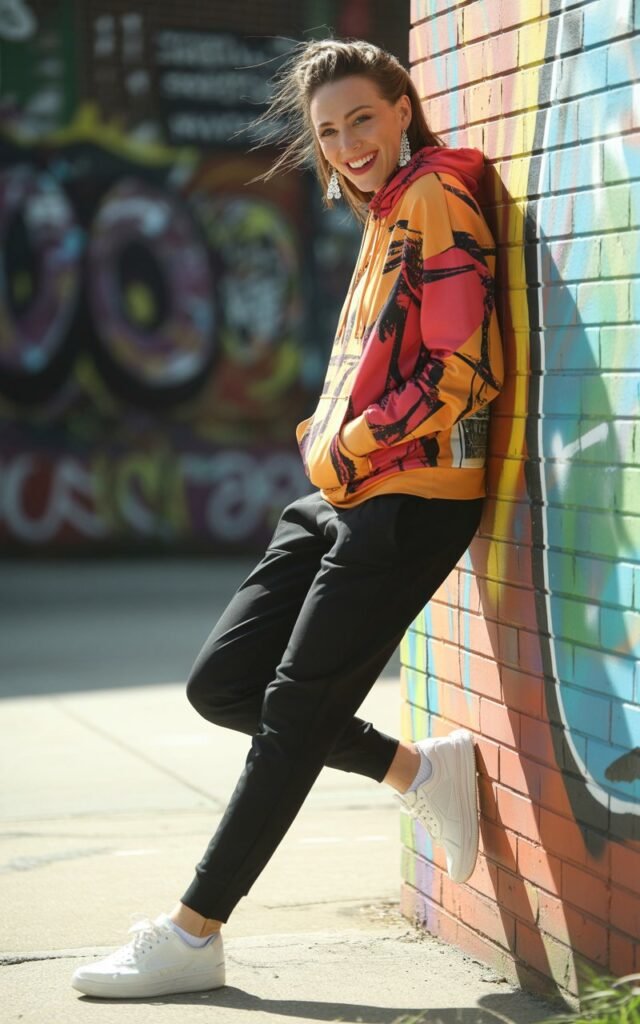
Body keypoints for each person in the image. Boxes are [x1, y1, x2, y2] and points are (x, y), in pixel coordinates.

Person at [71, 37, 503, 1000]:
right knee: (225, 684)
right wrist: (330, 447)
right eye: (329, 131)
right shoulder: (384, 209)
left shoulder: (435, 195)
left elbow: (463, 367)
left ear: (402, 109)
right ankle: (417, 771)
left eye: (363, 119)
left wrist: (352, 442)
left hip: (410, 495)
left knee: (294, 715)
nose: (348, 144)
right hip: (344, 494)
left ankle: (194, 931)